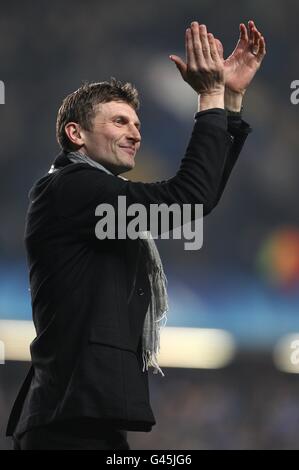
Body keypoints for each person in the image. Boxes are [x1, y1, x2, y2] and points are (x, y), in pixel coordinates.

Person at [7, 20, 265, 450]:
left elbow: (196, 201)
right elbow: (189, 200)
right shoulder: (71, 188)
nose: (135, 133)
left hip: (82, 418)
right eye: (120, 121)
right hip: (67, 425)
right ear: (76, 134)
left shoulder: (87, 196)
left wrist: (230, 102)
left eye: (137, 124)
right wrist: (210, 97)